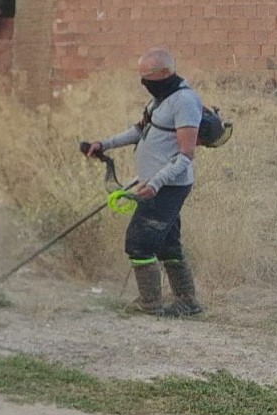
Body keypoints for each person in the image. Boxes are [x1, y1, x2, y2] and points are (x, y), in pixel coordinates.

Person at [84, 48, 203, 317]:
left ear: (164, 72)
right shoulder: (159, 100)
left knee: (139, 243)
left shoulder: (184, 101)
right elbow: (140, 130)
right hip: (154, 183)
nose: (143, 82)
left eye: (147, 76)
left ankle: (150, 304)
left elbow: (185, 155)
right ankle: (188, 302)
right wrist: (104, 144)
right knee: (167, 244)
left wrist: (156, 184)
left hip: (168, 186)